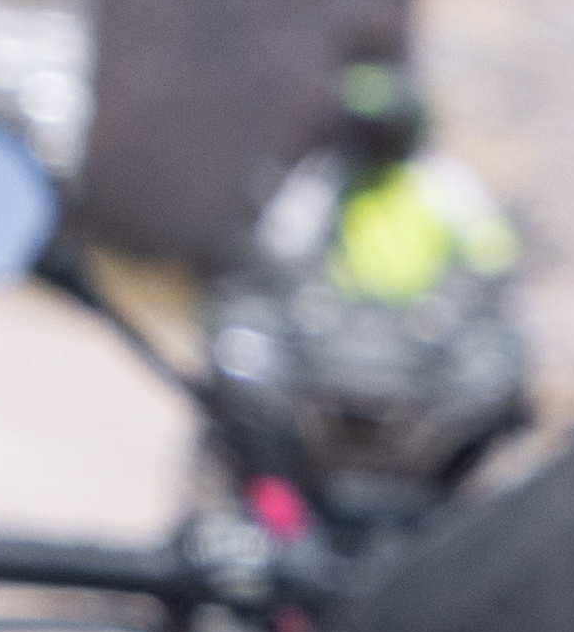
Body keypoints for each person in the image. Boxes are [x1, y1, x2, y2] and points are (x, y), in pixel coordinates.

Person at [209, 55, 533, 521]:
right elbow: (282, 239)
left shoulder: (442, 182)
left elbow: (492, 251)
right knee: (244, 380)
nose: (372, 140)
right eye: (364, 129)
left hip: (419, 344)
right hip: (330, 337)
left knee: (493, 395)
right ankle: (276, 507)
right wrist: (297, 288)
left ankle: (450, 510)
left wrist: (453, 301)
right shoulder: (329, 176)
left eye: (382, 130)